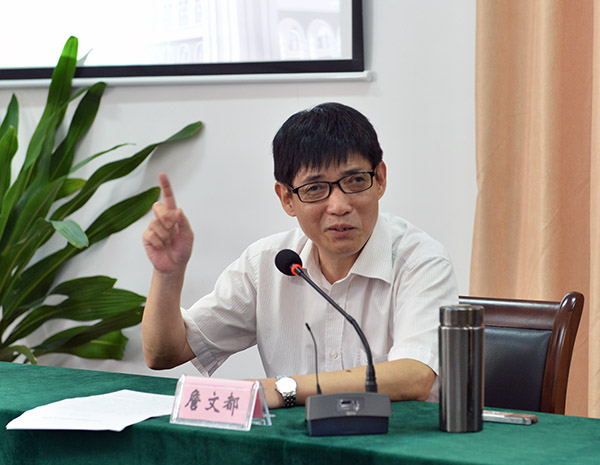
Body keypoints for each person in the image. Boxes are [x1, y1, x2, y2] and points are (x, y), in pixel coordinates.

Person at [141, 102, 458, 409]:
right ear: (286, 198)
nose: (339, 206)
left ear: (380, 180)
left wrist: (282, 389)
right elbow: (165, 353)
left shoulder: (420, 260)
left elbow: (415, 375)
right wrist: (168, 275)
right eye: (315, 188)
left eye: (355, 181)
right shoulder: (266, 263)